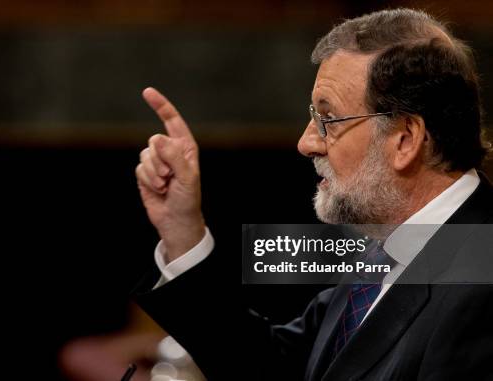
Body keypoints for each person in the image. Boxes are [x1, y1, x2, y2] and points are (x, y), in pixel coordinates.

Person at [133, 8, 493, 381]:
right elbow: (274, 368)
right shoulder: (390, 249)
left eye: (328, 119)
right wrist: (182, 229)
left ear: (405, 139)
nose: (306, 143)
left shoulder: (482, 283)